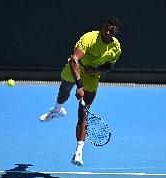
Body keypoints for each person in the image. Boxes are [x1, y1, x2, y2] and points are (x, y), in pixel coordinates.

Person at [39, 16, 121, 166]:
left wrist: (94, 69)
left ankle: (78, 153)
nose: (108, 31)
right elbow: (74, 60)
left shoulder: (116, 48)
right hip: (76, 68)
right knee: (64, 90)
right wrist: (79, 85)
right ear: (103, 26)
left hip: (92, 76)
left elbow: (110, 67)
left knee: (83, 114)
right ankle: (57, 110)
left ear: (115, 32)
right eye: (106, 27)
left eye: (112, 30)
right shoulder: (89, 38)